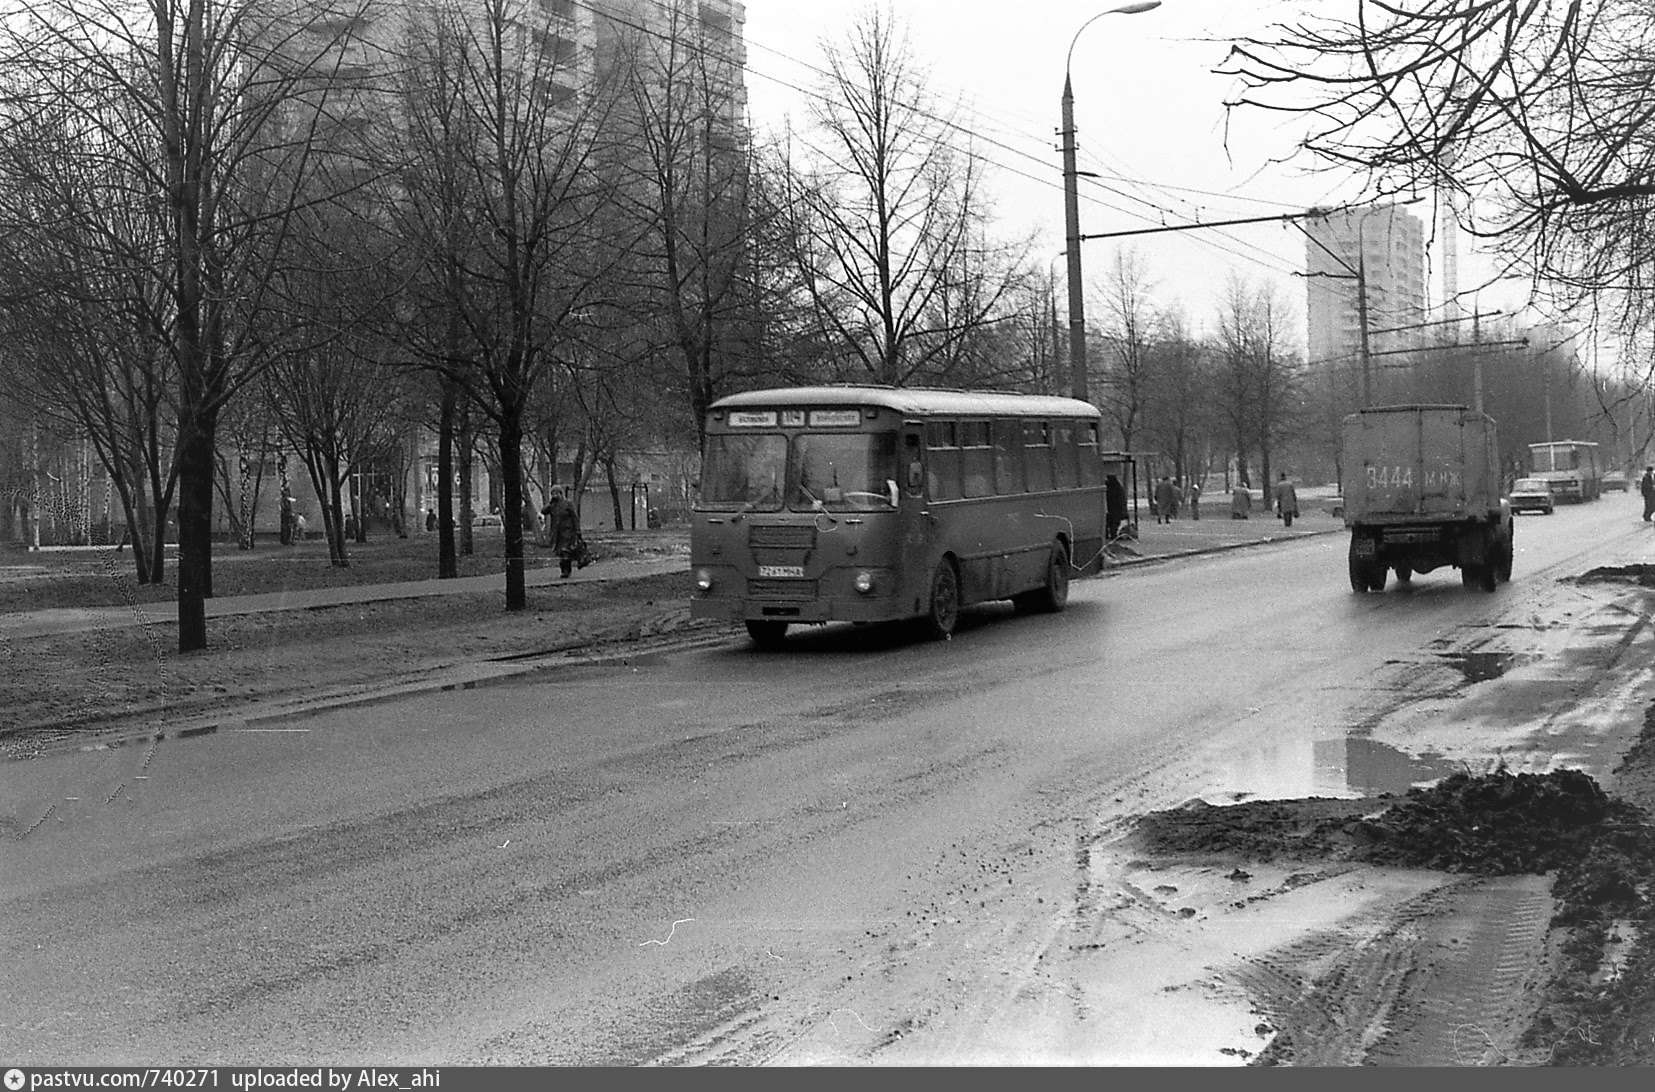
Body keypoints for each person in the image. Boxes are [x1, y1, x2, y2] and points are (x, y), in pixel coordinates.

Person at [541, 485, 581, 578]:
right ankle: (564, 570)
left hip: (568, 532)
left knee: (566, 552)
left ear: (560, 493)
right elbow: (543, 511)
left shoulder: (568, 503)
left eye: (556, 493)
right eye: (553, 493)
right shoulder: (552, 505)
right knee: (561, 552)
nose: (554, 495)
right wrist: (550, 503)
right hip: (557, 533)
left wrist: (577, 531)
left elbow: (575, 517)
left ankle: (566, 571)